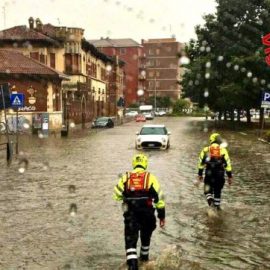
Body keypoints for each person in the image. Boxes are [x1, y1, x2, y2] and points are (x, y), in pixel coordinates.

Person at [113, 153, 165, 270]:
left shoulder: (125, 177)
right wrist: (161, 216)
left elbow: (116, 195)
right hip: (148, 215)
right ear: (145, 164)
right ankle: (145, 262)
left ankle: (133, 266)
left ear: (134, 164)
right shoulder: (151, 178)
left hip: (131, 216)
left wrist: (126, 198)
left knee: (131, 243)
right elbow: (160, 199)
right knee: (145, 239)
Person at [197, 132, 233, 210]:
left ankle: (210, 201)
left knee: (207, 191)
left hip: (209, 174)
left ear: (211, 140)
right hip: (220, 175)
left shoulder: (206, 150)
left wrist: (200, 174)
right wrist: (230, 177)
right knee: (217, 192)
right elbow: (228, 165)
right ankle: (217, 209)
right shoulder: (223, 150)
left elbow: (201, 163)